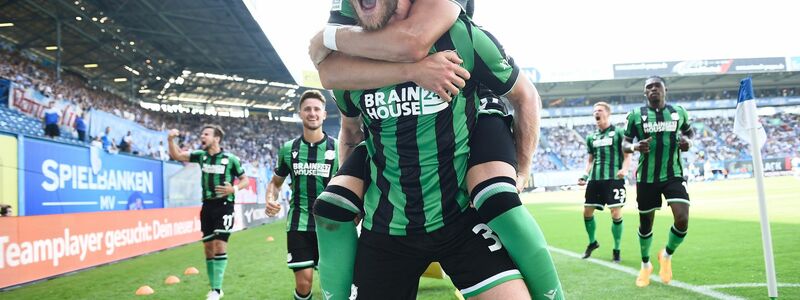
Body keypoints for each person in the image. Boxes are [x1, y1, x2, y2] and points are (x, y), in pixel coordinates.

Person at [311, 1, 561, 299]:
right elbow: (351, 131)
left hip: (459, 220)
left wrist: (521, 169)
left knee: (499, 201)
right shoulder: (347, 64)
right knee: (329, 208)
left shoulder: (461, 37)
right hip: (387, 231)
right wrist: (355, 187)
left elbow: (525, 95)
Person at [265, 90, 339, 300]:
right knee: (304, 282)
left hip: (331, 226)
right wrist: (270, 198)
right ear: (300, 113)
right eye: (307, 109)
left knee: (333, 283)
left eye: (317, 109)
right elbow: (275, 183)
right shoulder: (289, 149)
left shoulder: (337, 148)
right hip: (299, 224)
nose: (312, 113)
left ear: (324, 114)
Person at [622, 76, 694, 287]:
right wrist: (635, 147)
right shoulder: (636, 116)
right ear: (645, 93)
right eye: (648, 87)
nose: (653, 89)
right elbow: (625, 143)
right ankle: (646, 265)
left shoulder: (679, 112)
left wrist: (688, 142)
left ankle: (667, 255)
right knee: (646, 224)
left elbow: (689, 132)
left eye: (657, 86)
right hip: (646, 178)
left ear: (665, 90)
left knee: (682, 219)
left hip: (673, 174)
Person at [167, 124, 249, 300]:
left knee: (220, 244)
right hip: (207, 206)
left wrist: (233, 189)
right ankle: (213, 288)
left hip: (225, 205)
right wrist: (170, 140)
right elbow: (177, 155)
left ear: (216, 138)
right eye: (201, 134)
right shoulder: (201, 156)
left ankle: (217, 290)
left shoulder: (230, 159)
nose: (202, 136)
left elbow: (245, 180)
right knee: (208, 248)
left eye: (206, 134)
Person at [577, 102, 631, 263]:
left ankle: (617, 249)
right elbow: (590, 160)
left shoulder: (619, 133)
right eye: (594, 111)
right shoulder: (591, 137)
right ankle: (593, 242)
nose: (596, 113)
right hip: (595, 180)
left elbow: (627, 156)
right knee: (587, 212)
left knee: (615, 213)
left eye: (599, 110)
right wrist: (585, 175)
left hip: (614, 179)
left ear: (607, 114)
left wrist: (625, 170)